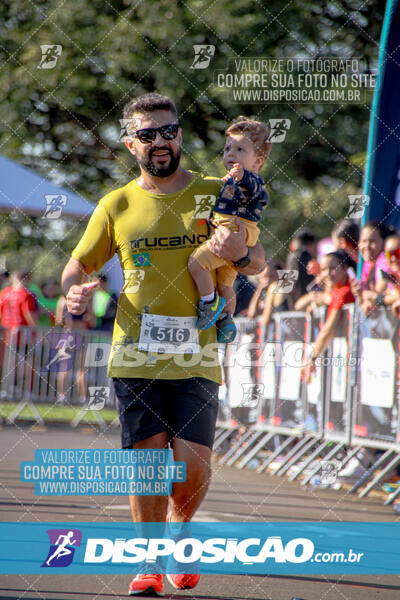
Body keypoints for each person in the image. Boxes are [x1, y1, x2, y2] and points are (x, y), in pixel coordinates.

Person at [61, 93, 265, 595]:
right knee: (147, 460)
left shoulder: (216, 190)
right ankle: (149, 561)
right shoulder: (117, 203)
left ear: (180, 135)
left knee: (191, 465)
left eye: (168, 130)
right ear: (131, 143)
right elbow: (78, 264)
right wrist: (74, 290)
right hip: (135, 350)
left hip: (197, 354)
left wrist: (240, 253)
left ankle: (181, 528)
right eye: (147, 134)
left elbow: (259, 263)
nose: (160, 141)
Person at [188, 116, 270, 343]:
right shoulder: (228, 182)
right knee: (226, 284)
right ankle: (226, 320)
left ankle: (209, 302)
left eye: (240, 149)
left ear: (258, 161)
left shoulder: (252, 180)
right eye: (227, 148)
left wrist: (242, 177)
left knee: (197, 263)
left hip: (233, 229)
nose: (231, 153)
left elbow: (255, 188)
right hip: (232, 230)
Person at [300, 250, 355, 384]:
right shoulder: (335, 290)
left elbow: (329, 328)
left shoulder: (344, 292)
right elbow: (298, 305)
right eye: (324, 269)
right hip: (339, 356)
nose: (328, 273)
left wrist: (312, 358)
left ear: (345, 268)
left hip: (349, 357)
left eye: (333, 268)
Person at [286, 228, 317, 309]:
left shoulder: (292, 256)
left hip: (297, 305)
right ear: (311, 244)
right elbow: (291, 285)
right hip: (302, 306)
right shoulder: (302, 255)